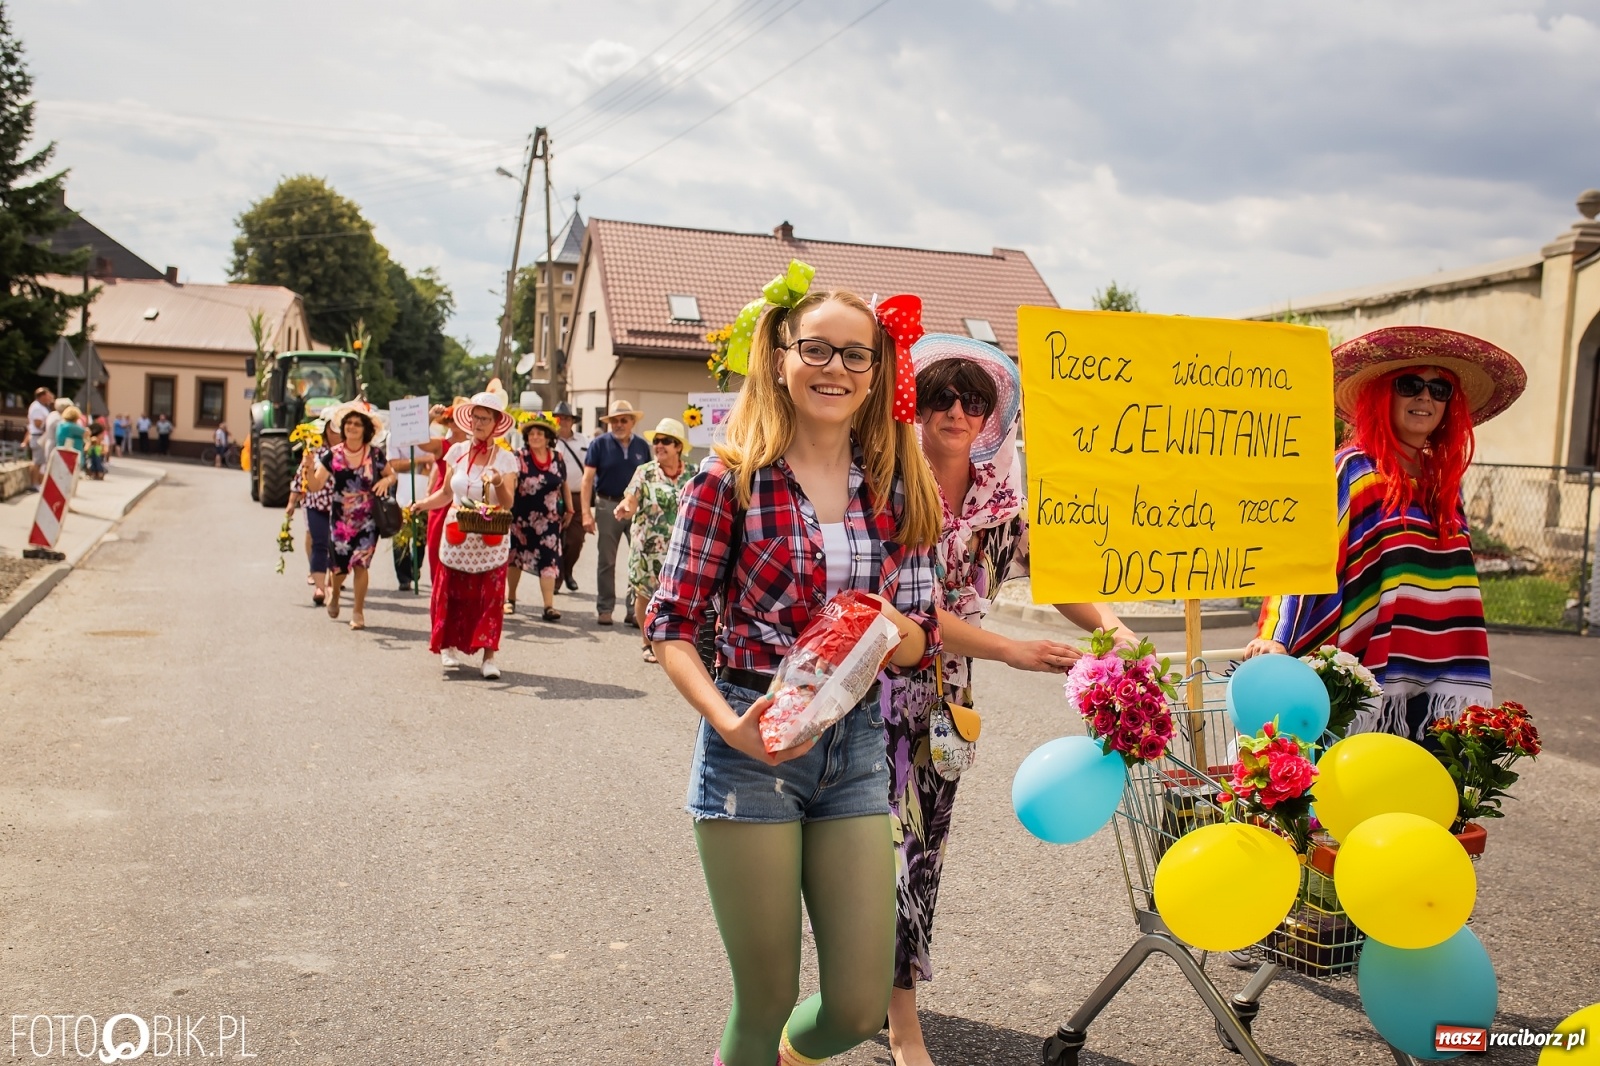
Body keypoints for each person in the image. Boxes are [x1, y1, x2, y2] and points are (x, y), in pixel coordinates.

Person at [648, 277, 944, 1066]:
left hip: (855, 745)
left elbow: (922, 641)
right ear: (782, 359)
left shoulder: (894, 486)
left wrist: (882, 628)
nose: (835, 368)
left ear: (876, 374)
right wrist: (726, 722)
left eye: (856, 354)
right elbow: (672, 627)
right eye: (816, 349)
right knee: (768, 996)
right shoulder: (728, 480)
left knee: (853, 1005)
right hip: (752, 749)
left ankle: (787, 1058)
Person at [884, 335, 1136, 1066]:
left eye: (972, 399)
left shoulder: (1001, 500)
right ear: (918, 408)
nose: (956, 410)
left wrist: (1116, 629)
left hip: (948, 699)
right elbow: (912, 609)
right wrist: (1013, 650)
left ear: (991, 413)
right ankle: (903, 1027)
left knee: (924, 854)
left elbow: (1053, 575)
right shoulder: (890, 490)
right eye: (940, 396)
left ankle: (876, 988)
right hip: (878, 689)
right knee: (893, 856)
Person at [1246, 326, 1527, 742]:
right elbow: (1306, 554)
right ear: (1382, 395)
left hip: (1440, 682)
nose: (1425, 398)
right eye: (1410, 385)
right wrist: (1277, 635)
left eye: (1439, 389)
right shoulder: (1355, 471)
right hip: (1372, 679)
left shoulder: (1443, 483)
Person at [414, 390, 519, 679]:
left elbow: (508, 502)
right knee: (452, 591)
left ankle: (489, 655)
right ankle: (447, 647)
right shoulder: (457, 452)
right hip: (457, 531)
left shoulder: (506, 459)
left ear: (497, 423)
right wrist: (423, 504)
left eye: (485, 419)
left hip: (490, 536)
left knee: (491, 595)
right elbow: (447, 493)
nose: (478, 423)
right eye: (475, 417)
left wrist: (497, 481)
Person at [302, 401, 395, 630]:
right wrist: (307, 469)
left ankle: (358, 611)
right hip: (341, 519)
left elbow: (391, 475)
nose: (352, 427)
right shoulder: (332, 455)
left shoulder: (374, 454)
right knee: (340, 568)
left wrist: (385, 480)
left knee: (361, 564)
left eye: (357, 423)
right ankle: (334, 597)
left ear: (366, 429)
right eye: (348, 423)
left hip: (368, 518)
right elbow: (315, 486)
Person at [614, 417, 694, 662]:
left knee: (679, 597)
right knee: (645, 594)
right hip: (647, 547)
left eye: (666, 441)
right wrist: (625, 507)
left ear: (678, 446)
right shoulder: (645, 472)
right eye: (657, 441)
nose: (659, 445)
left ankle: (675, 642)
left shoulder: (693, 473)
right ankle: (647, 642)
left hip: (680, 549)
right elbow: (631, 498)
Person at [581, 399, 650, 626]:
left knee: (636, 560)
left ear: (632, 422)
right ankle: (605, 608)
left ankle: (633, 610)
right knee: (607, 560)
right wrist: (586, 513)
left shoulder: (642, 446)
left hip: (635, 508)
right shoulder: (598, 444)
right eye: (614, 421)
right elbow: (587, 480)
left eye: (623, 420)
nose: (619, 424)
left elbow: (649, 479)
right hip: (607, 505)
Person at [506, 412, 572, 620]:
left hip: (549, 521)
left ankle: (548, 606)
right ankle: (511, 598)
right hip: (521, 518)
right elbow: (512, 482)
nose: (535, 437)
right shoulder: (519, 457)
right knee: (515, 558)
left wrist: (570, 508)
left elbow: (564, 484)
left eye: (539, 434)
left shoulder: (557, 457)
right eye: (531, 433)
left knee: (548, 560)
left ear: (547, 437)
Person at [288, 417, 340, 607]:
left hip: (339, 507)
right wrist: (292, 501)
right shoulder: (315, 451)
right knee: (319, 543)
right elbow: (300, 476)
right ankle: (320, 587)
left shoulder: (348, 454)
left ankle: (332, 584)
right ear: (326, 431)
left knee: (336, 547)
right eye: (332, 429)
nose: (336, 433)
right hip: (315, 504)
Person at [551, 401, 590, 592]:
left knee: (576, 540)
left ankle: (567, 571)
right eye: (559, 418)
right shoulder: (549, 440)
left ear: (572, 421)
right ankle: (557, 577)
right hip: (553, 495)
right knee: (555, 539)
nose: (562, 422)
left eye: (566, 418)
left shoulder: (584, 441)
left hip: (577, 495)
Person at [26, 387, 53, 490]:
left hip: (40, 437)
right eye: (47, 395)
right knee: (37, 461)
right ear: (42, 396)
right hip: (37, 437)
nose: (49, 397)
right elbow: (38, 424)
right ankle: (34, 484)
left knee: (40, 461)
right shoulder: (37, 407)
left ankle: (37, 483)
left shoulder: (42, 406)